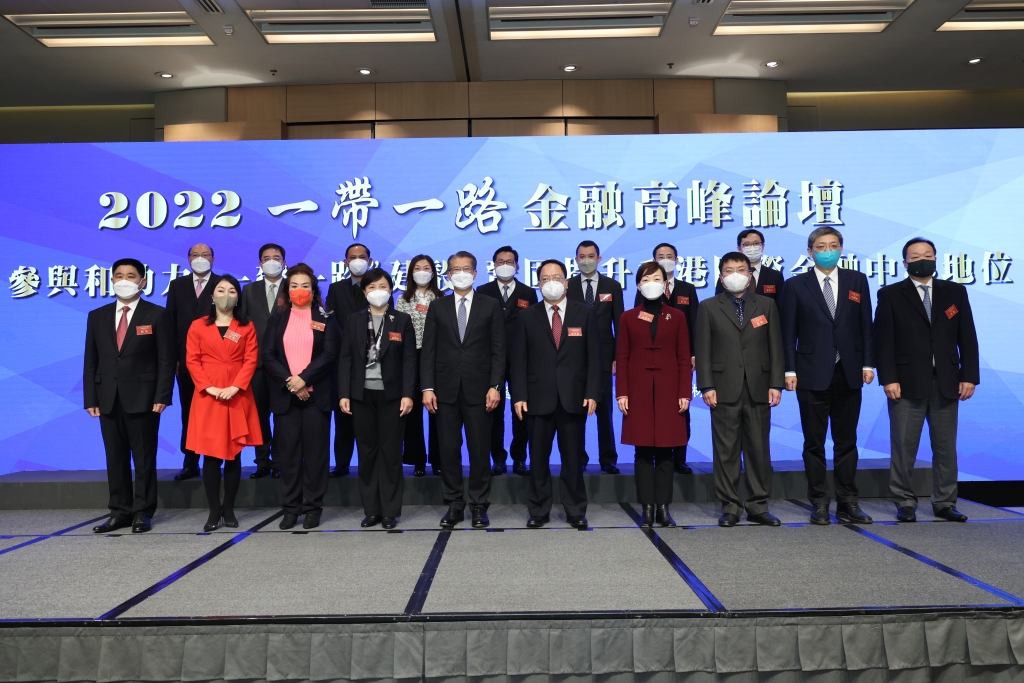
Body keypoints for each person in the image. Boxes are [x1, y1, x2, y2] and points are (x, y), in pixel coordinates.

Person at [875, 238, 979, 523]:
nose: (922, 260)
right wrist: (889, 379)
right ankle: (904, 502)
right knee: (904, 447)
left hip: (947, 381)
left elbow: (967, 336)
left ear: (935, 259)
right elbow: (883, 341)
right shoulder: (890, 294)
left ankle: (945, 502)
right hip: (905, 383)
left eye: (928, 255)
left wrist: (969, 376)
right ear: (905, 262)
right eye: (915, 256)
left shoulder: (955, 291)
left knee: (945, 447)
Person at [781, 227, 875, 525]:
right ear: (810, 252)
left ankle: (848, 501)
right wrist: (789, 369)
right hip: (810, 373)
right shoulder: (795, 285)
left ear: (841, 249)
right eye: (821, 246)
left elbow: (866, 325)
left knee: (847, 441)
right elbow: (788, 333)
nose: (828, 251)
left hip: (849, 371)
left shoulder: (856, 280)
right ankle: (819, 502)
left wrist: (868, 363)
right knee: (814, 442)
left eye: (833, 245)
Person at [85, 258, 175, 534]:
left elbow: (166, 359)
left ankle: (142, 512)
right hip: (107, 397)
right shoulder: (97, 315)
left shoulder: (157, 314)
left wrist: (163, 394)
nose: (124, 280)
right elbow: (91, 360)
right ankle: (119, 511)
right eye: (119, 275)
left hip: (144, 397)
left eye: (131, 276)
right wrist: (91, 398)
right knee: (115, 458)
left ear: (142, 282)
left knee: (144, 458)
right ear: (112, 280)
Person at [696, 252, 785, 527]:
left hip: (759, 386)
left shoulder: (767, 304)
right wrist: (706, 385)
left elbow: (776, 346)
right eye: (729, 270)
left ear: (749, 274)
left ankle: (758, 505)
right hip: (723, 388)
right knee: (726, 451)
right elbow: (703, 350)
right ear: (721, 276)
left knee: (759, 449)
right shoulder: (708, 307)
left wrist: (776, 383)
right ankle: (730, 506)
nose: (735, 274)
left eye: (741, 269)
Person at [512, 259, 600, 528]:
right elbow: (518, 360)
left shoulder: (585, 313)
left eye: (557, 277)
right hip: (537, 397)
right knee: (538, 458)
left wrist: (592, 392)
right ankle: (539, 510)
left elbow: (594, 357)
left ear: (566, 282)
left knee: (572, 458)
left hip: (574, 396)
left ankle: (575, 510)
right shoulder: (527, 316)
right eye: (545, 278)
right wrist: (519, 395)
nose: (552, 283)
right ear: (538, 284)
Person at [421, 251, 505, 529]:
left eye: (466, 269)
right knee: (448, 449)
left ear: (475, 273)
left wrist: (496, 386)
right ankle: (454, 503)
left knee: (480, 449)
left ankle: (479, 505)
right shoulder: (438, 306)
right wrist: (427, 387)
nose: (460, 273)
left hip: (481, 391)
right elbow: (428, 350)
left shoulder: (490, 305)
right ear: (448, 274)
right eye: (455, 269)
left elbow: (498, 350)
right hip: (444, 391)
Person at [263, 263, 341, 530]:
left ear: (313, 289)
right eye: (294, 285)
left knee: (316, 455)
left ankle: (313, 508)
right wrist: (291, 383)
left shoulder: (326, 318)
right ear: (287, 290)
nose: (300, 290)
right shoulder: (278, 318)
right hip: (287, 397)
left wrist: (304, 379)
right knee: (288, 456)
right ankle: (290, 508)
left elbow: (329, 355)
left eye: (305, 286)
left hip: (317, 397)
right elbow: (268, 356)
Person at [339, 269, 417, 529]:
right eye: (371, 287)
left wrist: (408, 394)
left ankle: (390, 511)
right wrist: (344, 393)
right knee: (367, 453)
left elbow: (409, 360)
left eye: (382, 286)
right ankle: (371, 510)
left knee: (391, 453)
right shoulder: (353, 320)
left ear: (390, 289)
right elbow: (345, 359)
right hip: (361, 395)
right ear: (364, 292)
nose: (377, 291)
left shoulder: (402, 319)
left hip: (393, 396)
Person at [184, 275, 263, 532]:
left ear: (238, 297)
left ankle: (228, 508)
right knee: (210, 455)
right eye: (221, 290)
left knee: (233, 454)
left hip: (236, 393)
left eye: (231, 291)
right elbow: (192, 360)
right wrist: (209, 387)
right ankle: (213, 510)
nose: (226, 295)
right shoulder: (198, 325)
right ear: (212, 296)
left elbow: (251, 359)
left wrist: (235, 387)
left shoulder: (246, 326)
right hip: (208, 394)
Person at [618, 262, 691, 528]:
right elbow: (622, 358)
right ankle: (647, 509)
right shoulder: (628, 317)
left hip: (669, 390)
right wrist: (622, 393)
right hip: (637, 391)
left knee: (666, 452)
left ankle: (663, 508)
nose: (652, 283)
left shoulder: (677, 316)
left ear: (665, 283)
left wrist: (685, 392)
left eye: (657, 278)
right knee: (642, 452)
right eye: (647, 279)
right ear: (639, 285)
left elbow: (683, 357)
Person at [633, 243, 699, 475]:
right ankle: (653, 455)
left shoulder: (687, 288)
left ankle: (680, 458)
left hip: (679, 359)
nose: (665, 259)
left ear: (677, 260)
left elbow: (694, 323)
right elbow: (638, 324)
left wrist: (693, 353)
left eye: (669, 256)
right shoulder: (644, 290)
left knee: (680, 411)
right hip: (650, 362)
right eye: (660, 256)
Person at [477, 245, 537, 476]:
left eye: (509, 262)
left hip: (521, 360)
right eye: (500, 262)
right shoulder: (483, 291)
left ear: (517, 265)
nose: (505, 265)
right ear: (493, 265)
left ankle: (520, 458)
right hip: (490, 360)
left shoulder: (528, 293)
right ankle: (498, 459)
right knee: (493, 412)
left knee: (521, 411)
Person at [567, 240, 623, 474]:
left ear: (599, 259)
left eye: (591, 256)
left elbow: (619, 324)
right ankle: (578, 458)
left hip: (604, 358)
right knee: (576, 412)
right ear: (576, 260)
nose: (586, 260)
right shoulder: (568, 285)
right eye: (582, 256)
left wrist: (618, 357)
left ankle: (608, 459)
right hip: (574, 357)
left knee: (604, 412)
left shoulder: (613, 286)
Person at [165, 244, 221, 481]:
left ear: (213, 259)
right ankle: (190, 462)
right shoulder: (177, 285)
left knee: (216, 412)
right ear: (188, 259)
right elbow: (170, 324)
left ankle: (215, 460)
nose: (200, 258)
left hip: (217, 361)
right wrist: (174, 358)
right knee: (189, 412)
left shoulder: (222, 284)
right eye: (195, 255)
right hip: (186, 361)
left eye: (205, 255)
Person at [239, 243, 287, 479]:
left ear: (284, 262)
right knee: (258, 416)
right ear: (260, 263)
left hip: (285, 364)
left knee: (282, 415)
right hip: (256, 364)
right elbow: (241, 324)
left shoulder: (293, 287)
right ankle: (262, 461)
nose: (271, 262)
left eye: (276, 258)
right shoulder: (249, 290)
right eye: (266, 258)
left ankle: (280, 461)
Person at [324, 243, 372, 478]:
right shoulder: (336, 288)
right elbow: (330, 320)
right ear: (345, 262)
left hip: (370, 359)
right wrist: (347, 345)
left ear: (370, 261)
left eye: (362, 257)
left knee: (367, 418)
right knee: (342, 416)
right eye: (353, 257)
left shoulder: (378, 287)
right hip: (340, 362)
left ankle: (368, 465)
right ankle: (342, 463)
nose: (357, 260)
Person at [395, 255, 443, 477]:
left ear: (433, 272)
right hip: (410, 357)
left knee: (437, 410)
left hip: (436, 357)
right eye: (417, 268)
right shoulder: (402, 299)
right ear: (411, 272)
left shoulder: (442, 298)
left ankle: (438, 459)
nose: (422, 271)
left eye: (426, 268)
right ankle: (418, 460)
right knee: (412, 412)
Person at [715, 229, 785, 305]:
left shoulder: (775, 276)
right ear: (739, 248)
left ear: (763, 246)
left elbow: (780, 305)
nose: (752, 247)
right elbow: (719, 303)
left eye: (756, 243)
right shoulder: (728, 276)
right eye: (747, 244)